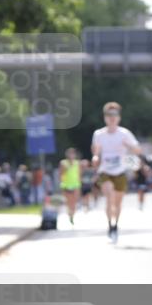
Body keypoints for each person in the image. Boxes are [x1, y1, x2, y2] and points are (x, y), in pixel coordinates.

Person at [91, 102, 143, 242]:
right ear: (105, 117)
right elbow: (96, 150)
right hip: (105, 171)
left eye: (115, 114)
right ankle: (110, 225)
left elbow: (138, 150)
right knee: (109, 196)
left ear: (119, 117)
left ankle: (116, 225)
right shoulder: (99, 134)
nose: (112, 117)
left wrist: (128, 146)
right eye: (109, 115)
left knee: (118, 203)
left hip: (120, 171)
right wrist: (95, 157)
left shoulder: (124, 134)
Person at [59, 148, 82, 225]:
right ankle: (70, 214)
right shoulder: (63, 163)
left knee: (74, 201)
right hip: (66, 184)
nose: (71, 155)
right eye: (70, 153)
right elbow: (61, 173)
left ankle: (72, 215)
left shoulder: (77, 163)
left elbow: (79, 173)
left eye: (73, 153)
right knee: (68, 202)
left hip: (75, 184)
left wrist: (80, 183)